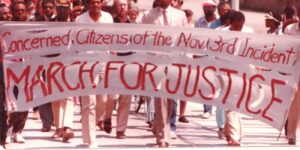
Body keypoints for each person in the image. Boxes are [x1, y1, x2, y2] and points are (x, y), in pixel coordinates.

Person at [141, 0, 187, 147]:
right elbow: (140, 38)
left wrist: (187, 60)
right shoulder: (148, 16)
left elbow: (186, 38)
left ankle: (158, 125)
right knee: (160, 98)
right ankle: (163, 136)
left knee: (171, 99)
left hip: (174, 62)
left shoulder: (180, 15)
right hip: (155, 62)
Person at [75, 0, 113, 148]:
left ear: (102, 3)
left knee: (102, 102)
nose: (95, 5)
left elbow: (113, 38)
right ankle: (91, 138)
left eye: (98, 2)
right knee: (88, 103)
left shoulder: (108, 18)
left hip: (104, 62)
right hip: (86, 64)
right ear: (88, 4)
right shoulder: (80, 19)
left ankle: (93, 124)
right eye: (93, 2)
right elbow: (77, 41)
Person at [221, 10, 254, 146]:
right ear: (230, 23)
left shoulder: (250, 33)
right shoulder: (222, 34)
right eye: (236, 26)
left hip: (244, 74)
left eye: (241, 26)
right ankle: (234, 136)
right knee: (230, 105)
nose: (238, 29)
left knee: (238, 105)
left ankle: (228, 132)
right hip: (226, 73)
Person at [5, 1, 29, 144]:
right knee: (10, 102)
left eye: (22, 11)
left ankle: (18, 131)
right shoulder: (6, 28)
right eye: (18, 11)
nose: (20, 13)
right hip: (10, 70)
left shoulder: (31, 28)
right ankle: (7, 130)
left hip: (28, 68)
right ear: (13, 13)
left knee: (25, 101)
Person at [33, 0, 56, 132]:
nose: (48, 9)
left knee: (55, 91)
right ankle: (46, 122)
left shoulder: (60, 22)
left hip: (57, 61)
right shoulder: (36, 21)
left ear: (54, 8)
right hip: (40, 60)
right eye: (45, 7)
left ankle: (54, 119)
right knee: (42, 91)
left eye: (50, 7)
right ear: (42, 9)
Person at [284, 8, 300, 145]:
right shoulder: (290, 29)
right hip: (293, 69)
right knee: (293, 102)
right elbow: (283, 47)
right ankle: (291, 135)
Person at [0, 5, 12, 149]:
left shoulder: (16, 30)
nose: (7, 15)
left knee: (8, 107)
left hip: (13, 69)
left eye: (8, 13)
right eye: (4, 13)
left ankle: (3, 138)